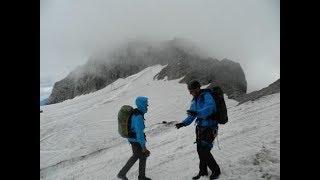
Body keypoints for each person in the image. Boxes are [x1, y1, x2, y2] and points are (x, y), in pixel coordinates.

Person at [175, 80, 221, 180]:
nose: (191, 93)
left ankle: (216, 170)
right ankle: (203, 172)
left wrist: (196, 113)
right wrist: (183, 123)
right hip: (200, 128)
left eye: (192, 91)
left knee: (205, 151)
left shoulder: (206, 96)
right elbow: (192, 115)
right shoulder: (194, 100)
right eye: (190, 91)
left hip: (210, 127)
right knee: (200, 150)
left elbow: (210, 108)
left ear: (197, 88)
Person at [117, 96, 152, 180]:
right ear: (142, 105)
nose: (147, 106)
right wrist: (143, 147)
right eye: (146, 105)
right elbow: (139, 134)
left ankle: (123, 173)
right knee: (142, 156)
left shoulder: (135, 113)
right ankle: (140, 177)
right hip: (136, 141)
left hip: (132, 139)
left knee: (136, 156)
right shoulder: (138, 117)